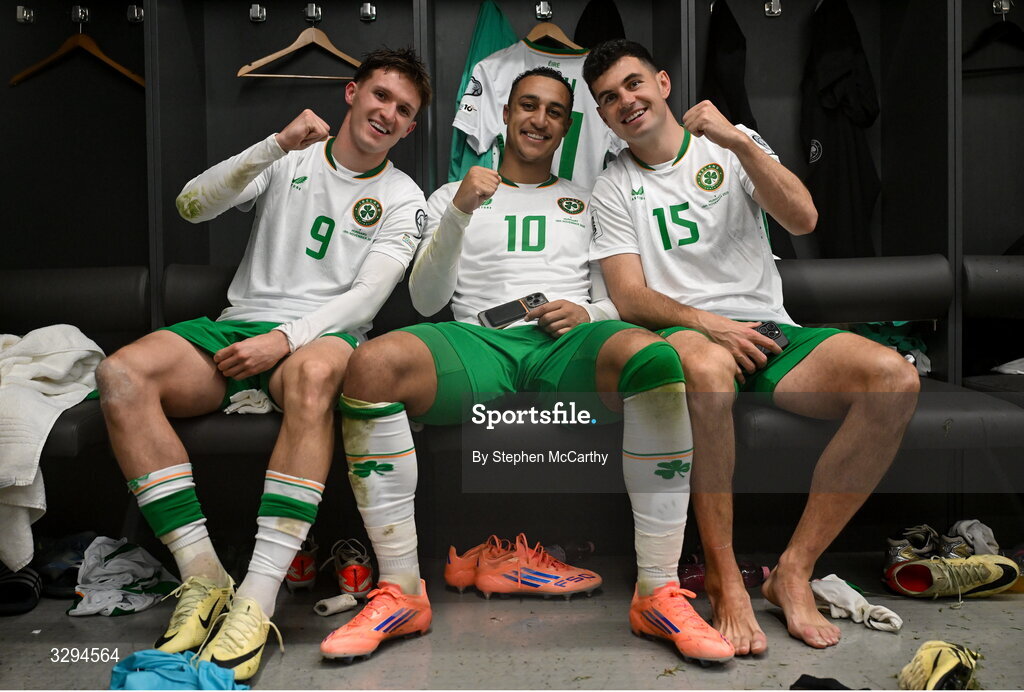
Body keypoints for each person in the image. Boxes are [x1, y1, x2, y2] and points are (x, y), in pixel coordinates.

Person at [318, 67, 735, 666]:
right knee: (374, 363)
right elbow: (430, 300)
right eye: (528, 106)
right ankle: (402, 591)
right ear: (505, 114)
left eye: (555, 111)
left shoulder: (588, 198)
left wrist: (587, 312)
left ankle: (658, 591)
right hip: (478, 340)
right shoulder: (447, 196)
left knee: (656, 360)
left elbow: (615, 293)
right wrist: (460, 209)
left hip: (565, 345)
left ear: (568, 126)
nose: (539, 120)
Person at [94, 48, 431, 680]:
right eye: (381, 96)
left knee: (313, 372)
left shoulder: (404, 198)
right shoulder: (292, 157)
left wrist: (286, 337)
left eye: (404, 110)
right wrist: (273, 144)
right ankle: (202, 575)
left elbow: (366, 299)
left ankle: (257, 594)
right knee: (119, 375)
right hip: (238, 324)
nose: (388, 113)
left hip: (324, 336)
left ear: (411, 130)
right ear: (352, 93)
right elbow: (192, 206)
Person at [582, 39, 920, 653]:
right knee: (708, 373)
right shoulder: (612, 186)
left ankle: (793, 571)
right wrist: (709, 325)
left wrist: (738, 140)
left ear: (662, 83)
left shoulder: (729, 143)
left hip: (769, 328)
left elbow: (803, 218)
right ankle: (723, 578)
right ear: (602, 116)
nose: (625, 101)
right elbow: (629, 296)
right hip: (687, 333)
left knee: (894, 378)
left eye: (633, 84)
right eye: (608, 98)